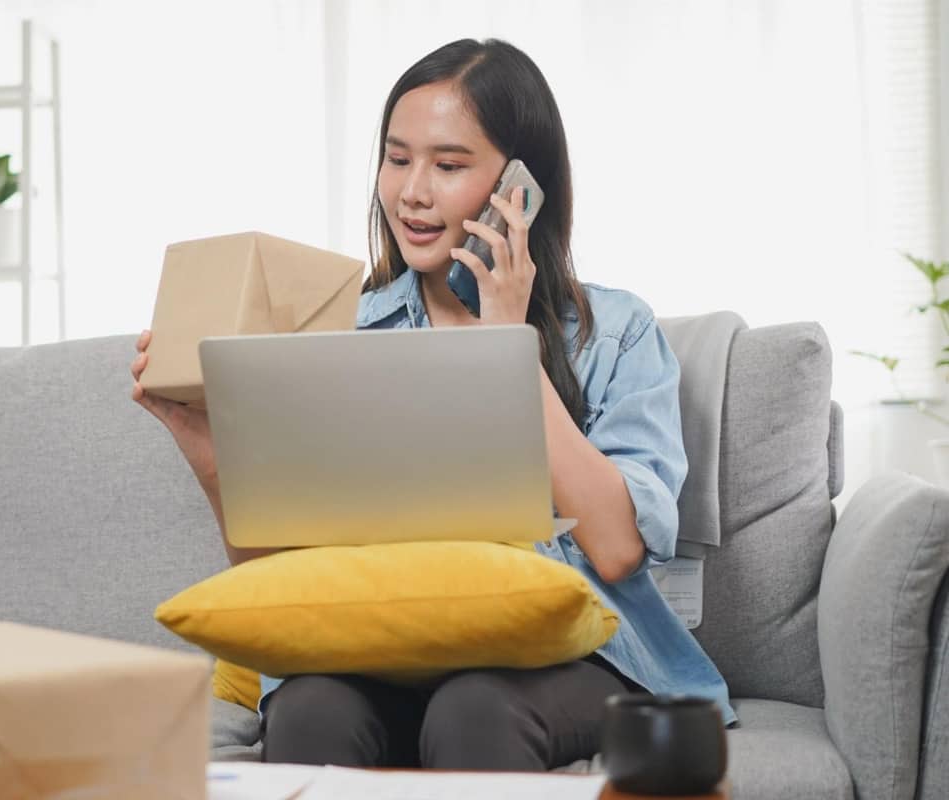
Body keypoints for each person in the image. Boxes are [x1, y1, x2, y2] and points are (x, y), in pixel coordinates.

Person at [130, 37, 735, 771]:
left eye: (448, 166)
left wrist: (508, 350)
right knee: (308, 706)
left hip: (578, 661)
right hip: (385, 651)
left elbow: (616, 546)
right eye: (396, 157)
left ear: (519, 186)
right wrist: (211, 457)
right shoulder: (341, 334)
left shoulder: (615, 332)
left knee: (473, 707)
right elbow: (282, 567)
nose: (411, 191)